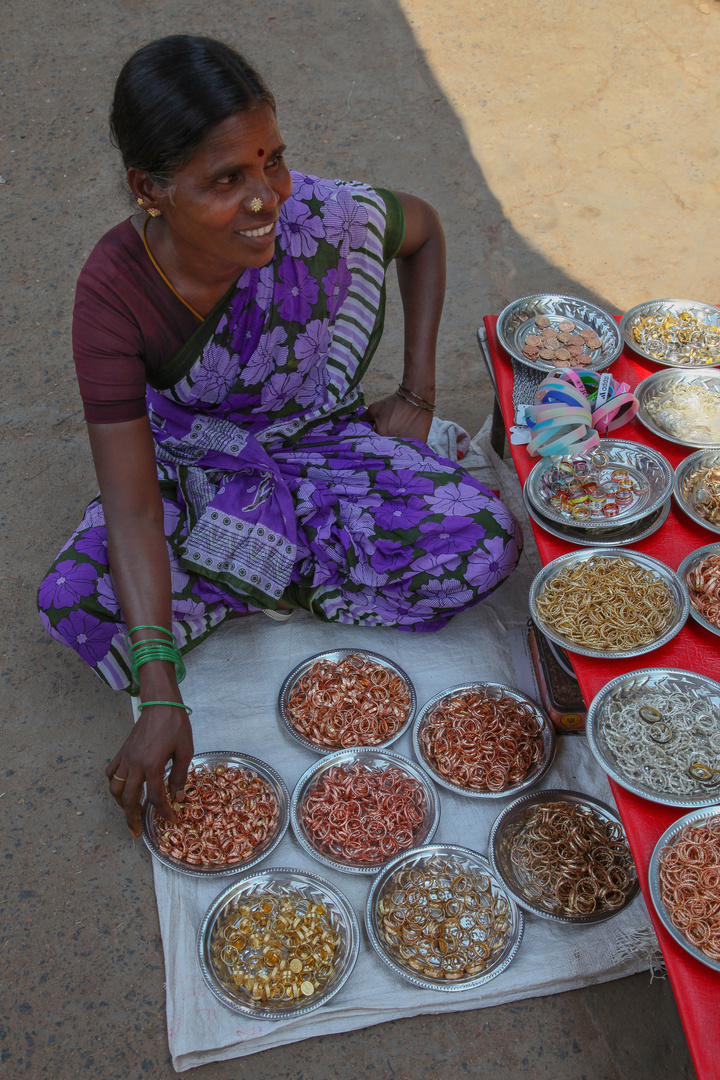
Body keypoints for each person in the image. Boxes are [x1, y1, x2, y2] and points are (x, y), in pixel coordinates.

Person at [38, 35, 523, 837]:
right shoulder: (115, 290)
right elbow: (130, 510)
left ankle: (250, 576)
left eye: (272, 160)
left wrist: (415, 394)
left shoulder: (316, 220)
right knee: (75, 599)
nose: (267, 198)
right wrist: (160, 693)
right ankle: (276, 570)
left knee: (482, 542)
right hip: (197, 473)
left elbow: (425, 232)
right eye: (226, 179)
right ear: (148, 190)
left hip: (318, 444)